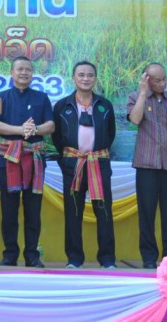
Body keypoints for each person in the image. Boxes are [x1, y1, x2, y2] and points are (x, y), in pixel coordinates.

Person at [51, 61, 117, 269]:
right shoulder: (62, 106)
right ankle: (74, 259)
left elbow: (111, 134)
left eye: (90, 75)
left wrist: (96, 154)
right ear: (73, 78)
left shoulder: (105, 105)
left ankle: (107, 260)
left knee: (104, 211)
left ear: (95, 78)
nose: (85, 78)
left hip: (99, 163)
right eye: (81, 75)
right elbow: (56, 137)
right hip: (73, 164)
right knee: (73, 212)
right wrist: (67, 159)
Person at [0, 56, 54, 268]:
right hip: (8, 157)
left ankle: (32, 255)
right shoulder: (0, 97)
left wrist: (34, 130)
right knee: (9, 209)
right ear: (12, 73)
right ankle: (9, 254)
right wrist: (20, 130)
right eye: (20, 69)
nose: (24, 73)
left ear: (32, 73)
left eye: (28, 69)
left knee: (33, 210)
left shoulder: (41, 98)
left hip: (34, 158)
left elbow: (51, 125)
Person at [128, 63, 167, 269]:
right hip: (146, 164)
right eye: (157, 80)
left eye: (164, 79)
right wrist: (143, 93)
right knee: (147, 213)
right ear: (147, 79)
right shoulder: (136, 97)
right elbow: (135, 119)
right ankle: (148, 258)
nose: (162, 83)